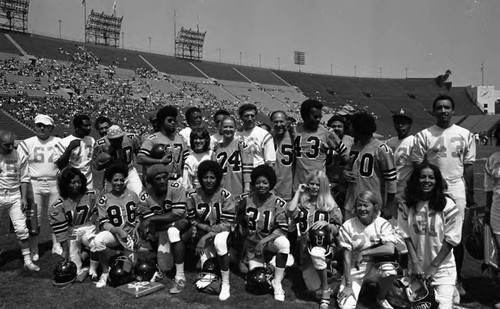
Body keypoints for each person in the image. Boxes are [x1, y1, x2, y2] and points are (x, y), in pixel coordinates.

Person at [411, 94, 475, 297]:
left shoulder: (465, 134)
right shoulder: (424, 135)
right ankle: (426, 275)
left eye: (447, 107)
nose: (443, 111)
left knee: (456, 237)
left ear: (453, 110)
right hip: (431, 188)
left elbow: (469, 167)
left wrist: (470, 194)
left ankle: (457, 279)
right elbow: (417, 164)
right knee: (429, 232)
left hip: (456, 187)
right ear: (433, 111)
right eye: (439, 107)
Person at [398, 163, 462, 309]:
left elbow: (452, 239)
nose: (427, 181)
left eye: (431, 177)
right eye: (422, 177)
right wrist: (414, 263)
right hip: (417, 267)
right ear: (416, 180)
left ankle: (449, 290)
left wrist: (433, 267)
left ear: (437, 181)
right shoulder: (408, 205)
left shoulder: (448, 205)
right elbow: (405, 234)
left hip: (442, 268)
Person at [288, 170, 342, 309]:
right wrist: (298, 193)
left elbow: (338, 228)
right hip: (305, 248)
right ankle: (334, 283)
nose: (313, 187)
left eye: (317, 185)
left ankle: (326, 289)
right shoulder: (303, 201)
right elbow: (290, 211)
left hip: (323, 248)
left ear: (323, 186)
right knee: (312, 289)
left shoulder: (330, 204)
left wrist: (328, 225)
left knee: (318, 255)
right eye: (311, 183)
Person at [338, 191, 398, 309]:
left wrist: (364, 252)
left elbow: (390, 249)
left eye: (366, 205)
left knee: (389, 271)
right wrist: (348, 285)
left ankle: (381, 297)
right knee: (346, 306)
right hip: (355, 269)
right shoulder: (348, 225)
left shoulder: (382, 223)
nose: (362, 209)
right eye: (359, 205)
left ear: (374, 207)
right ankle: (354, 287)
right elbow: (346, 256)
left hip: (375, 267)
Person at [238, 164, 289, 301]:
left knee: (284, 243)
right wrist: (241, 227)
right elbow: (239, 214)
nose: (261, 185)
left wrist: (263, 241)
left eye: (265, 182)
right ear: (254, 183)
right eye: (258, 182)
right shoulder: (246, 199)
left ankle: (277, 282)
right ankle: (274, 266)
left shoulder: (278, 203)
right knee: (255, 276)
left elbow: (282, 229)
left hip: (269, 242)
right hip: (252, 245)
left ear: (270, 183)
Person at [187, 160, 236, 301]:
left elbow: (227, 224)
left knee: (220, 242)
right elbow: (192, 220)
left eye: (212, 177)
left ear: (218, 179)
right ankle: (223, 260)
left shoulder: (225, 195)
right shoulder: (192, 195)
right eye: (205, 177)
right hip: (205, 235)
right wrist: (206, 229)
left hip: (222, 234)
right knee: (207, 268)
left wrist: (205, 236)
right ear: (200, 178)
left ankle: (226, 283)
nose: (208, 181)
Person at [138, 164, 189, 294]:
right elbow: (154, 227)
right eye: (158, 179)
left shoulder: (176, 187)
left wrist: (151, 220)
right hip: (167, 227)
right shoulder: (144, 196)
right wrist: (171, 223)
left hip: (188, 226)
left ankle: (180, 276)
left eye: (164, 177)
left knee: (174, 232)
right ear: (150, 182)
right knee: (165, 267)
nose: (162, 181)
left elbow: (177, 214)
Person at [18, 114, 62, 258]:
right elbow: (22, 167)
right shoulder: (27, 143)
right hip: (34, 183)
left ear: (51, 127)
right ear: (35, 125)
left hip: (54, 181)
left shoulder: (59, 142)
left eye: (45, 126)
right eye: (39, 125)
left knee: (54, 214)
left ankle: (56, 244)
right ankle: (34, 247)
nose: (42, 128)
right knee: (33, 217)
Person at [92, 162, 140, 288]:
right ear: (109, 181)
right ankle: (105, 271)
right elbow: (103, 222)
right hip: (115, 235)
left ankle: (126, 256)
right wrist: (117, 230)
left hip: (130, 236)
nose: (118, 183)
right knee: (98, 240)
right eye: (115, 180)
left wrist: (137, 229)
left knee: (128, 272)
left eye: (121, 180)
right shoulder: (104, 199)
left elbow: (140, 216)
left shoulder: (133, 195)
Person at [48, 167, 100, 282]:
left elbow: (100, 213)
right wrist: (65, 251)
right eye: (73, 182)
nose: (77, 185)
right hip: (71, 231)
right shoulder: (58, 205)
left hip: (88, 227)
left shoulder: (92, 194)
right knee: (75, 269)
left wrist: (98, 228)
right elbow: (61, 231)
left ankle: (93, 270)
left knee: (97, 242)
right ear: (65, 184)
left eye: (79, 182)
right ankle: (85, 255)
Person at [344, 112, 397, 220]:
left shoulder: (381, 149)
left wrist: (388, 206)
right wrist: (344, 172)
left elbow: (391, 180)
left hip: (372, 205)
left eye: (352, 125)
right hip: (352, 204)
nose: (349, 128)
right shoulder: (355, 146)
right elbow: (348, 168)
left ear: (359, 127)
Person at [0, 130, 40, 271]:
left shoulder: (20, 155)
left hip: (14, 195)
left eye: (12, 144)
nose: (11, 148)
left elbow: (24, 179)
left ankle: (27, 260)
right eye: (6, 145)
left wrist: (23, 197)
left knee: (22, 229)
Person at [293, 99, 348, 192]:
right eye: (315, 117)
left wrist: (345, 171)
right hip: (299, 187)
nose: (318, 119)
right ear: (304, 116)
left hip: (318, 188)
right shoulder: (294, 130)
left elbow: (345, 154)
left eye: (320, 116)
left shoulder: (326, 133)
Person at [138, 105, 188, 181]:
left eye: (174, 120)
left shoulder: (180, 138)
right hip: (160, 181)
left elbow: (186, 159)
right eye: (169, 120)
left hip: (178, 179)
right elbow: (140, 158)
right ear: (161, 122)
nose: (173, 123)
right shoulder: (153, 139)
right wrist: (160, 161)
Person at [93, 125, 142, 196]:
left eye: (119, 138)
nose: (116, 140)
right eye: (113, 139)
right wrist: (103, 162)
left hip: (129, 171)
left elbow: (140, 154)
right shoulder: (101, 143)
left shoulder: (131, 138)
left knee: (140, 195)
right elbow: (96, 166)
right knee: (110, 200)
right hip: (112, 174)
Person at [212, 116, 252, 197]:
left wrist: (247, 189)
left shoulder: (241, 146)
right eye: (225, 127)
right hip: (222, 192)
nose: (228, 129)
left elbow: (248, 168)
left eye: (231, 127)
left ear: (235, 128)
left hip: (239, 190)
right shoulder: (217, 149)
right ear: (221, 128)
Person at [385, 109, 414, 214]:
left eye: (404, 123)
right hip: (389, 189)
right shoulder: (390, 142)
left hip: (404, 189)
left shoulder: (413, 142)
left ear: (409, 125)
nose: (400, 126)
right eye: (398, 123)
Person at [54, 114, 95, 188]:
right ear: (77, 127)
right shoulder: (64, 142)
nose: (89, 128)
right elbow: (60, 165)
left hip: (88, 181)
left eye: (89, 125)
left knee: (88, 199)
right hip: (71, 181)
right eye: (85, 126)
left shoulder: (91, 140)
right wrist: (69, 149)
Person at [326, 114, 354, 210]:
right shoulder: (325, 139)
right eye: (333, 126)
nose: (336, 129)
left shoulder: (350, 141)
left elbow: (348, 158)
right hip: (328, 180)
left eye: (339, 126)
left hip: (343, 184)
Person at [236, 103, 276, 168]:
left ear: (256, 116)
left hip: (257, 173)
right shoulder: (235, 135)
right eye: (246, 116)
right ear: (241, 117)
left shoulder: (264, 135)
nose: (250, 119)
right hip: (240, 174)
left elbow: (270, 162)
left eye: (252, 116)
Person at [270, 111, 294, 201]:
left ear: (287, 122)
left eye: (281, 121)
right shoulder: (267, 138)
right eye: (276, 122)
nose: (279, 124)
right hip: (270, 190)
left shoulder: (294, 138)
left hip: (289, 191)